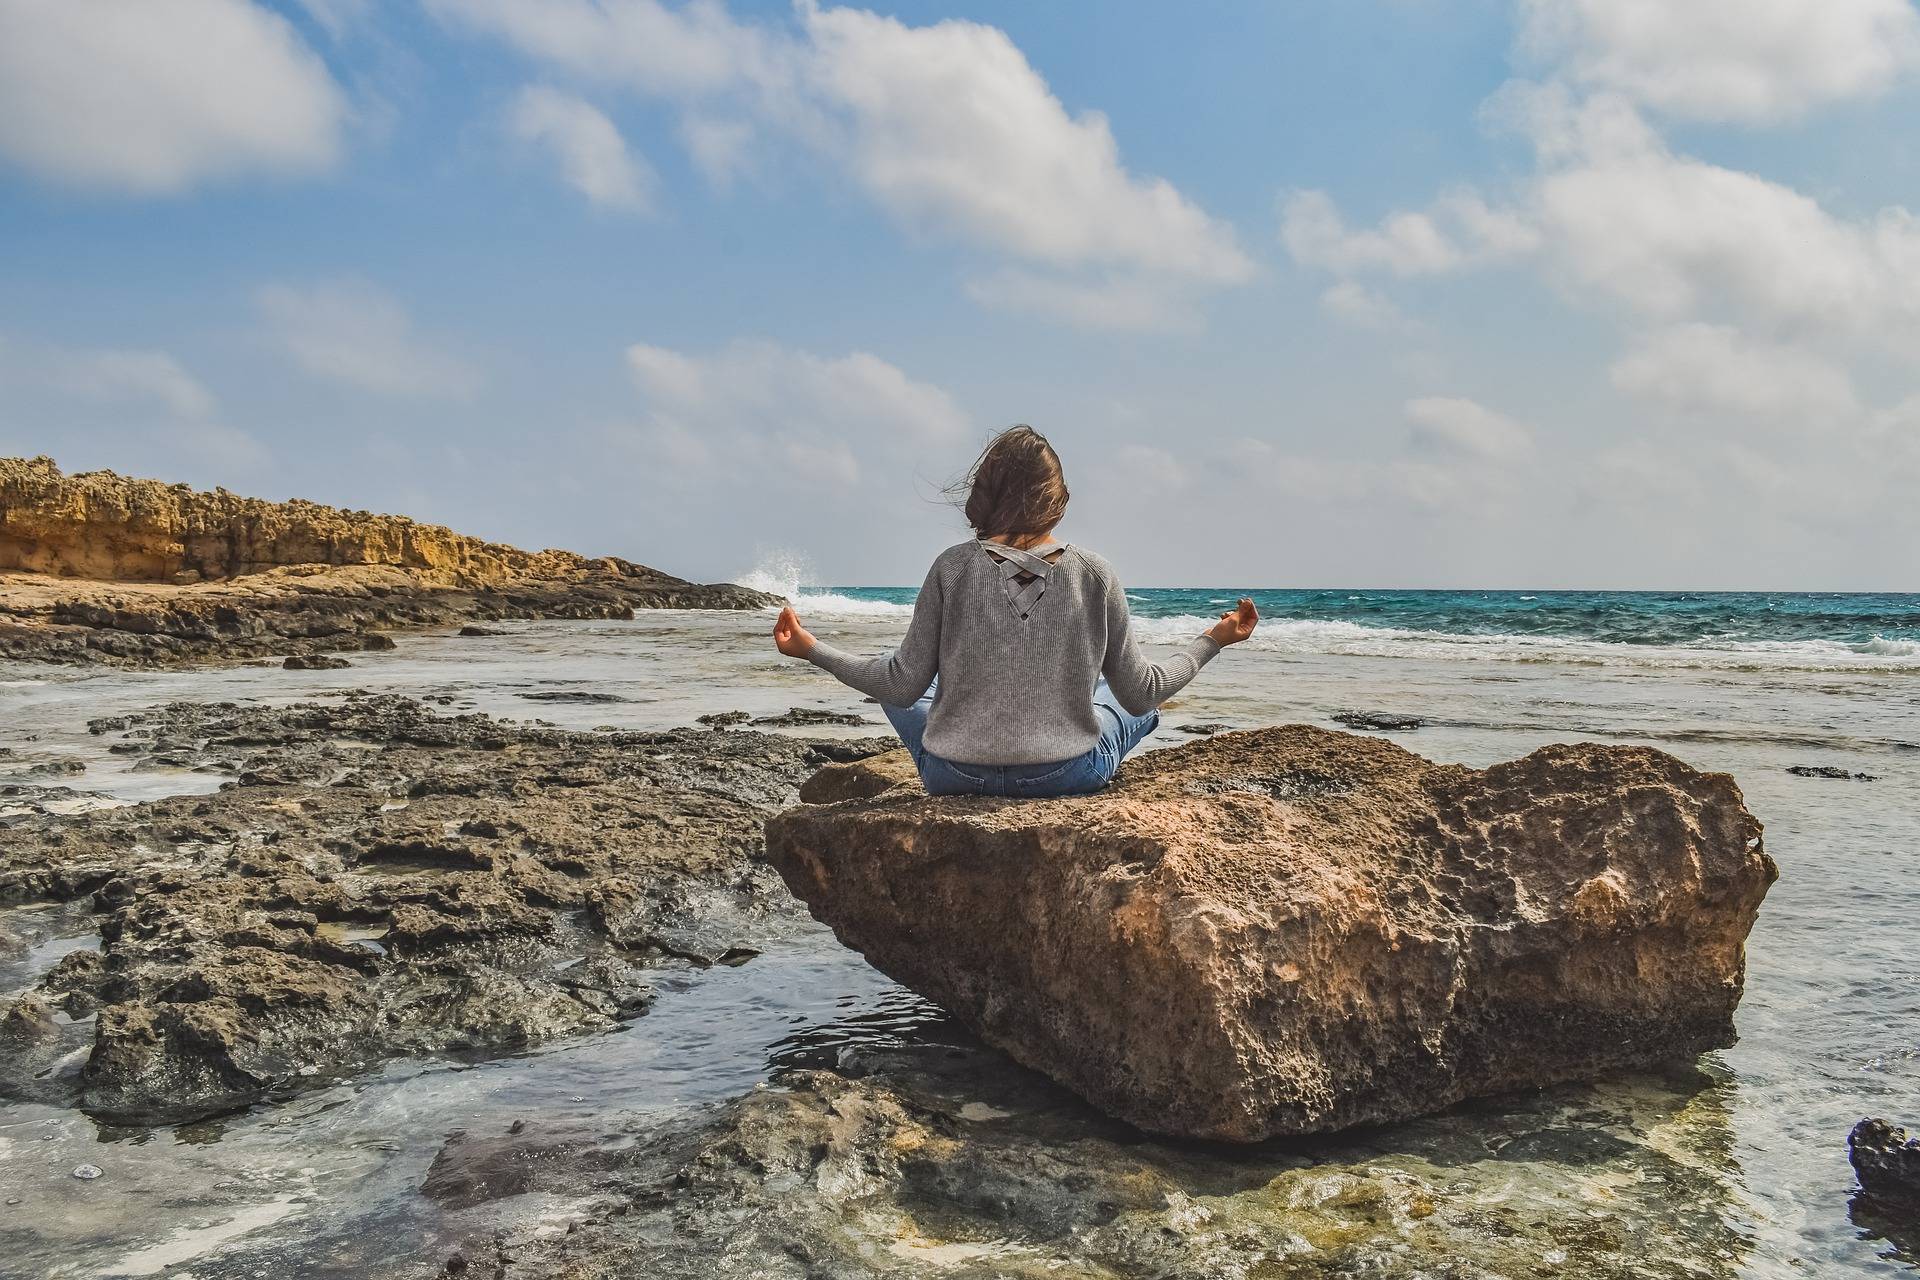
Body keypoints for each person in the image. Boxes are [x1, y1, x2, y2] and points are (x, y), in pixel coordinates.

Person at [772, 425, 1258, 797]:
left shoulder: (951, 568)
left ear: (984, 494)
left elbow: (900, 685)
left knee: (898, 675)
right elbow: (1143, 691)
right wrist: (1213, 639)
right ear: (1057, 499)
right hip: (1065, 775)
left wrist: (811, 648)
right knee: (1124, 699)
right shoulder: (1095, 573)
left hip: (953, 776)